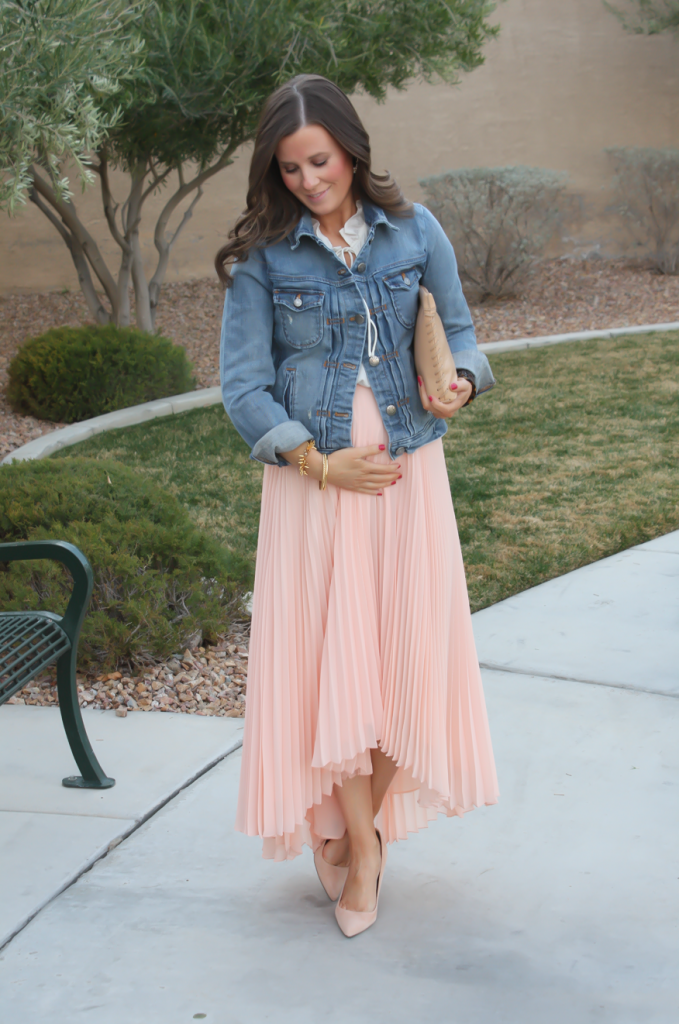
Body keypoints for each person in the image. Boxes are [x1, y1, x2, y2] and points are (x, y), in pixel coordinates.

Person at [216, 74, 499, 938]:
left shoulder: (415, 231)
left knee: (395, 657)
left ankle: (359, 826)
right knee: (337, 664)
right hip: (318, 492)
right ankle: (366, 853)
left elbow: (460, 336)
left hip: (410, 482)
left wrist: (457, 384)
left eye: (320, 160)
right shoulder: (265, 260)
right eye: (290, 167)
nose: (307, 179)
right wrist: (316, 462)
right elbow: (243, 387)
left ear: (351, 149)